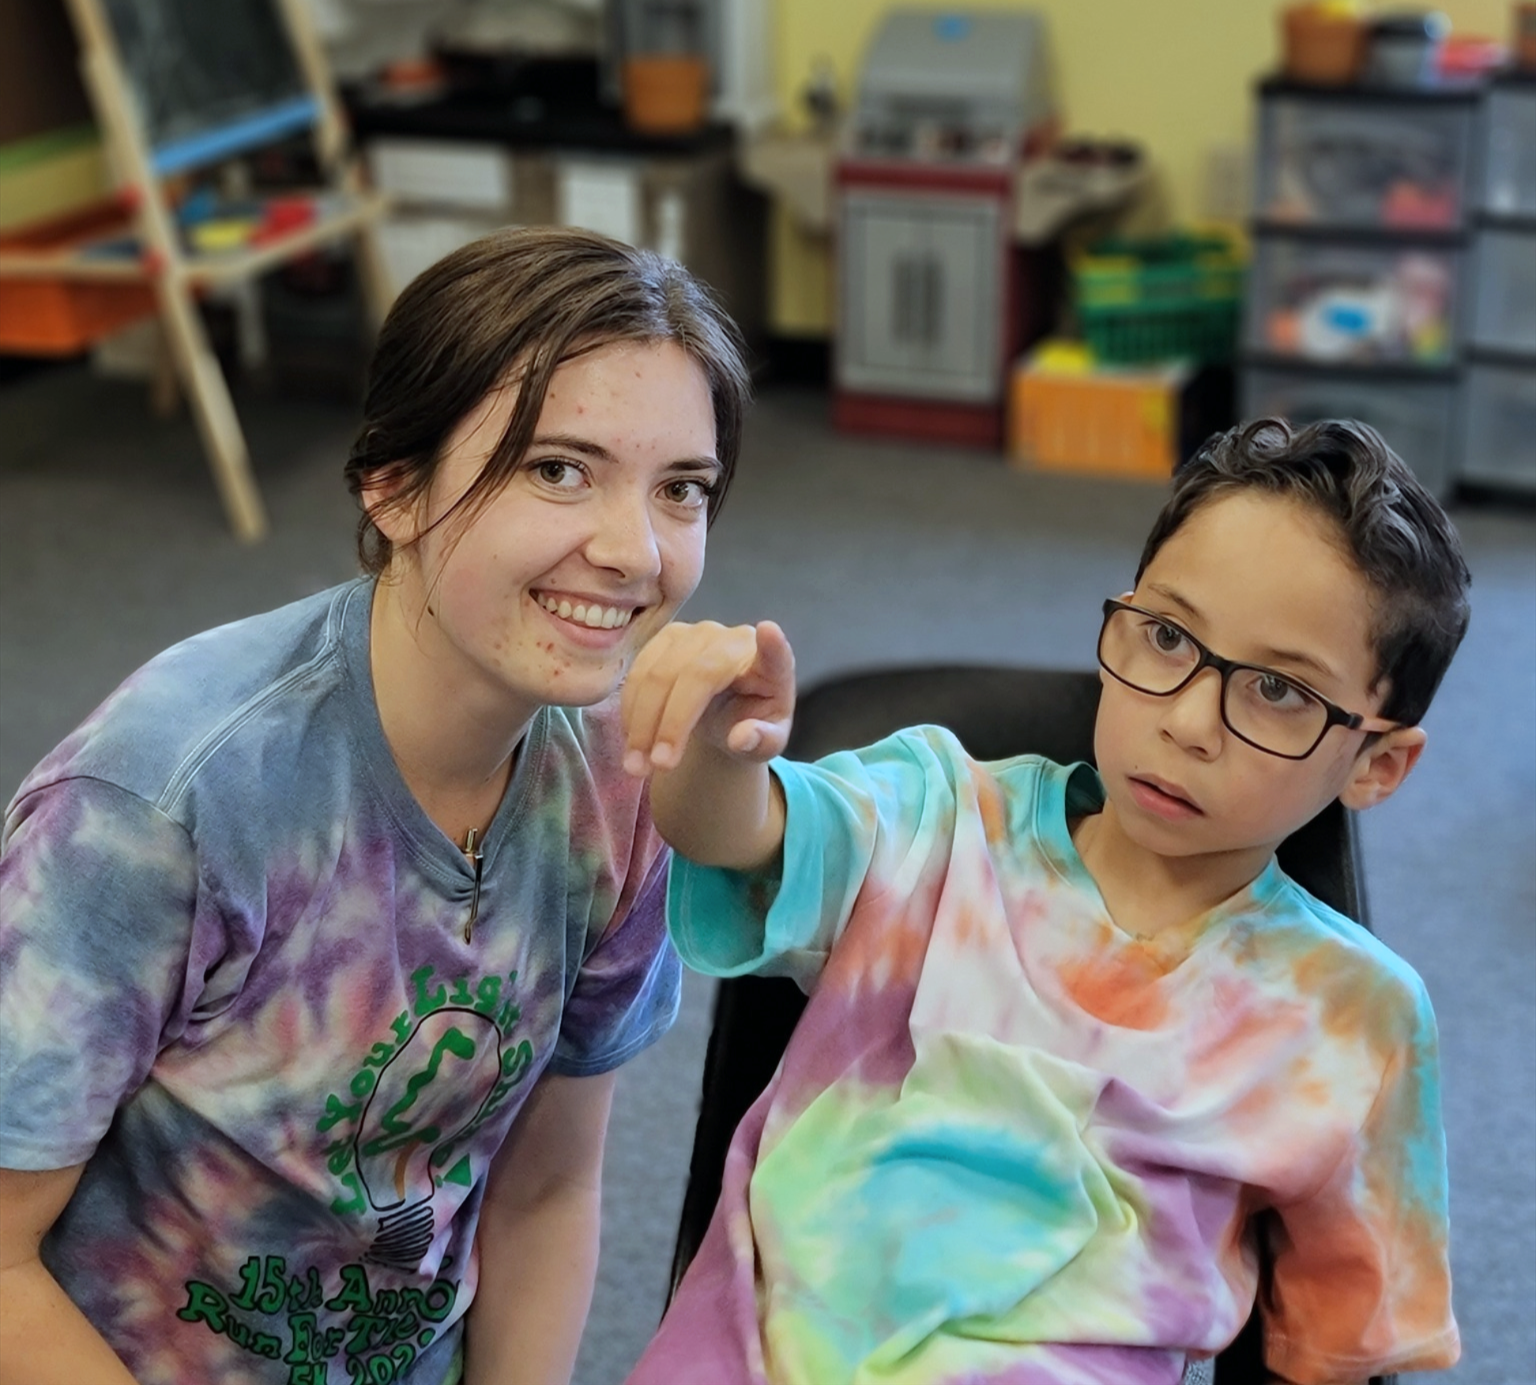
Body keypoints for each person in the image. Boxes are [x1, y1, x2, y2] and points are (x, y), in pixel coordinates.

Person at [0, 225, 751, 1385]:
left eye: (681, 489)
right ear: (393, 485)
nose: (634, 548)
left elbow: (549, 1188)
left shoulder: (623, 784)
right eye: (559, 467)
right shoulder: (161, 799)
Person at [618, 418, 1466, 1385]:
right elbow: (733, 828)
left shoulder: (1355, 1016)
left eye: (1278, 689)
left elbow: (1333, 1351)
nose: (1187, 721)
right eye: (1165, 636)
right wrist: (715, 743)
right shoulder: (936, 816)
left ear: (1379, 761)